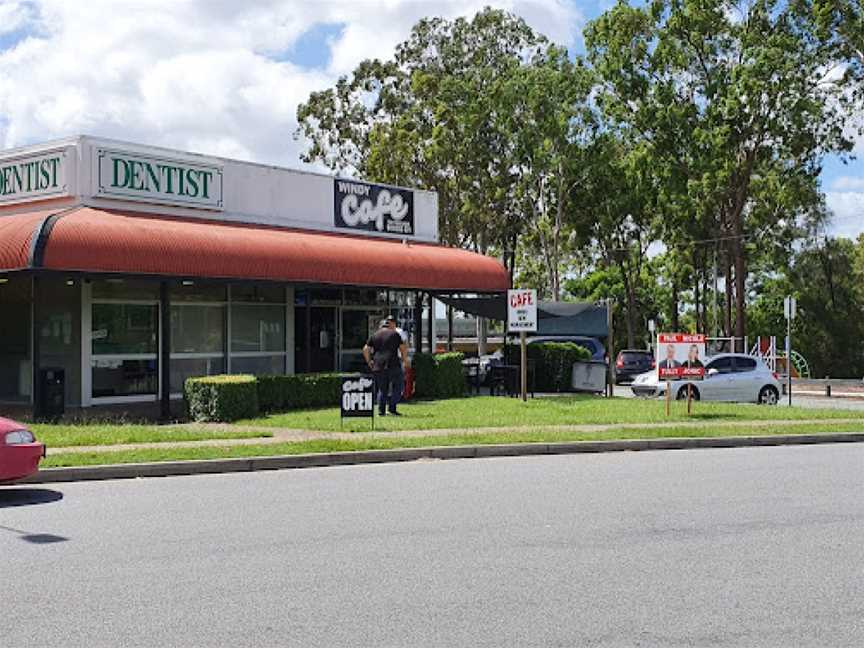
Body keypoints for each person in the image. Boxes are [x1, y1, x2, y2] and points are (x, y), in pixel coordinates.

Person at [363, 316, 409, 416]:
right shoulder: (395, 334)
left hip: (378, 365)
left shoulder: (375, 335)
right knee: (398, 386)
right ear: (389, 325)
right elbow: (402, 348)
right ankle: (392, 408)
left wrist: (369, 361)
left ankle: (381, 411)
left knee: (382, 389)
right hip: (393, 364)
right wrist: (405, 361)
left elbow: (365, 349)